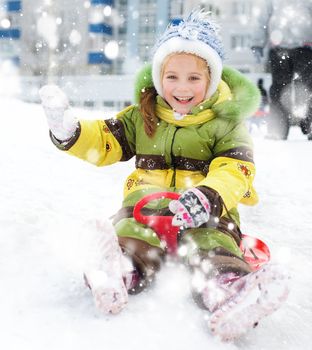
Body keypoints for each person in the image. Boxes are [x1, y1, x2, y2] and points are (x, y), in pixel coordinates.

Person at [40, 9, 289, 341]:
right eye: (172, 77)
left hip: (205, 213)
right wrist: (69, 131)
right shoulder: (142, 116)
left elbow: (236, 170)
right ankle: (117, 272)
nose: (182, 88)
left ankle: (232, 292)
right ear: (159, 78)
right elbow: (103, 140)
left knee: (212, 248)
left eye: (194, 78)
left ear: (212, 80)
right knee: (131, 237)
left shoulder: (227, 124)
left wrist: (209, 196)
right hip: (144, 210)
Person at [251, 0, 312, 140]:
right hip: (279, 48)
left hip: (306, 47)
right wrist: (257, 42)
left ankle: (310, 124)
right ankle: (277, 129)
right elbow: (262, 19)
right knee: (278, 89)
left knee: (308, 87)